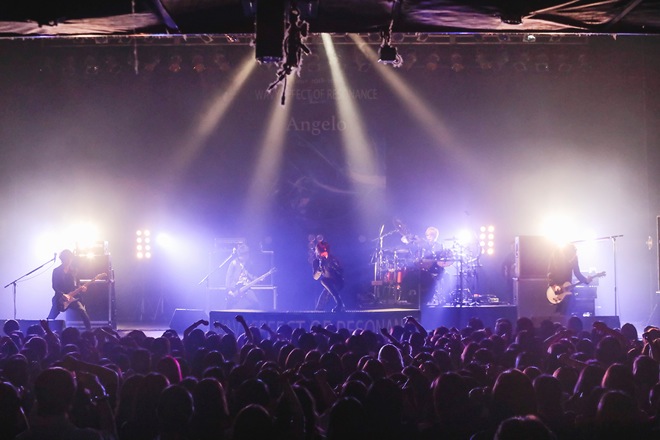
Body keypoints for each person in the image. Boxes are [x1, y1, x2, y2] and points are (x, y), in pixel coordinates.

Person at [47, 249, 92, 331]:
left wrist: (82, 288)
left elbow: (77, 284)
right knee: (52, 316)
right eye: (66, 258)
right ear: (62, 259)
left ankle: (89, 331)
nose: (68, 261)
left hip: (73, 298)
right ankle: (45, 329)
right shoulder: (56, 271)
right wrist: (62, 294)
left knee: (82, 311)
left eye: (70, 258)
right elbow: (55, 286)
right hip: (60, 298)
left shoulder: (74, 270)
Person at [547, 243, 592, 316]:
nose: (571, 259)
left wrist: (586, 281)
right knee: (560, 310)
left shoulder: (574, 258)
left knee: (570, 306)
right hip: (556, 287)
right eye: (570, 256)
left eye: (573, 256)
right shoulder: (556, 255)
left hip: (568, 286)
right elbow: (550, 273)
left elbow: (577, 273)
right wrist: (554, 285)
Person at [312, 241, 345, 312]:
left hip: (337, 281)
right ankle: (319, 311)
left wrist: (332, 265)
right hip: (329, 284)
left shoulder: (333, 259)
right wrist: (319, 269)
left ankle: (340, 304)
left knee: (324, 281)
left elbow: (341, 271)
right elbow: (315, 277)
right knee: (322, 300)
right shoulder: (316, 262)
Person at [225, 244, 260, 309]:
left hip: (246, 287)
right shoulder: (234, 263)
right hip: (235, 288)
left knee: (255, 303)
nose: (248, 256)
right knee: (230, 306)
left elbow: (252, 276)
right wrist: (229, 290)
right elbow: (228, 277)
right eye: (246, 254)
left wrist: (259, 279)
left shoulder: (249, 264)